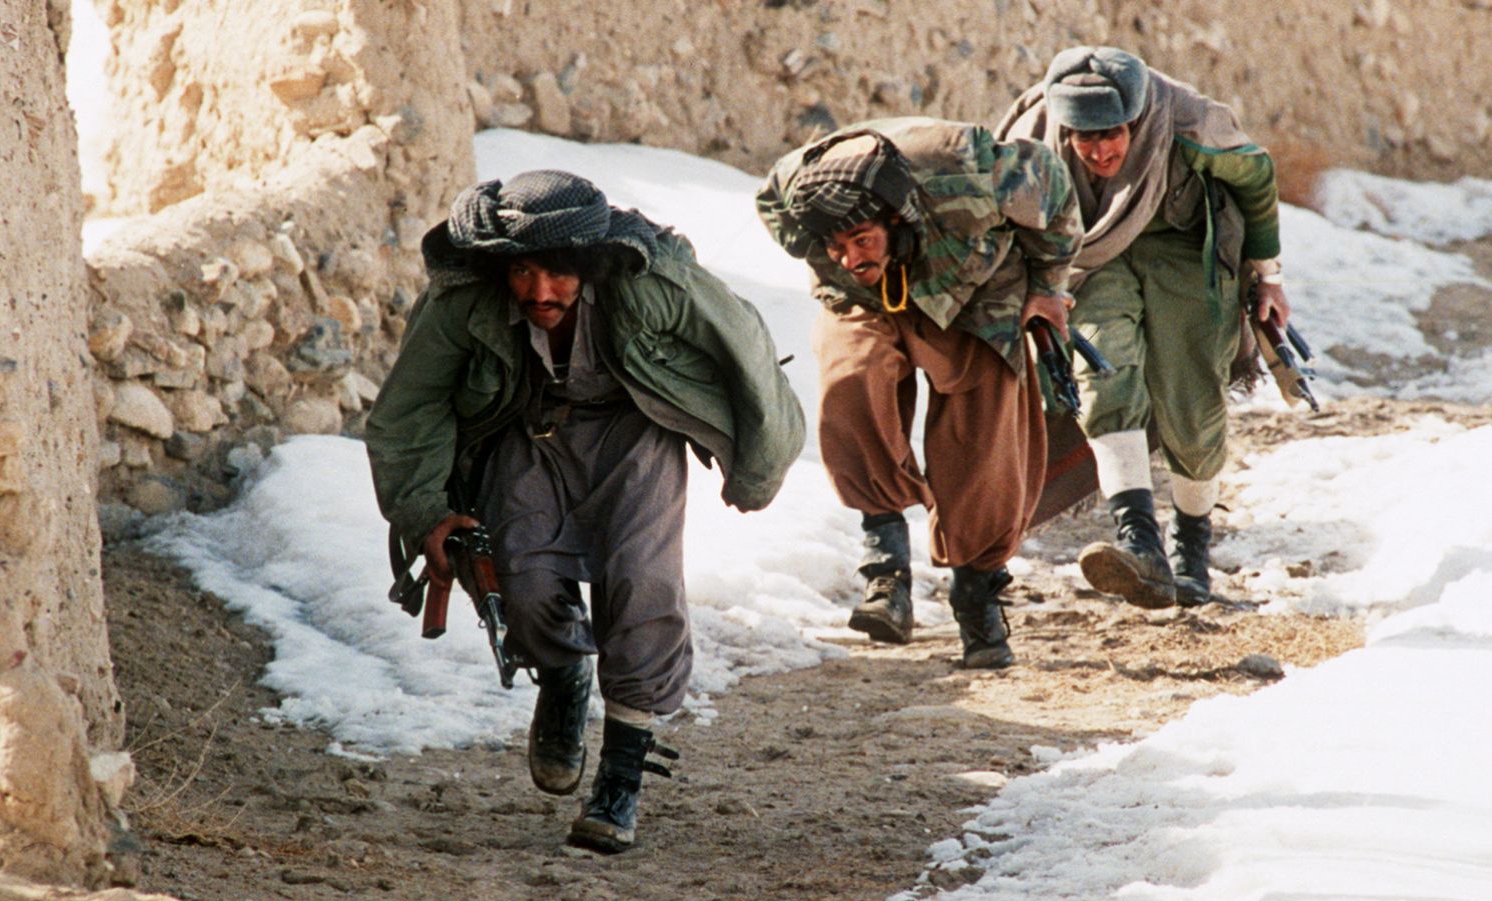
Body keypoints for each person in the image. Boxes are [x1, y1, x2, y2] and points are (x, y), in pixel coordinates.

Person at [365, 171, 805, 852]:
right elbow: (409, 409)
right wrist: (426, 509)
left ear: (589, 265)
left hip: (636, 432)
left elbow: (744, 346)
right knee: (523, 579)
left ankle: (619, 780)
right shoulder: (465, 303)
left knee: (640, 583)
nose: (541, 293)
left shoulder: (651, 281)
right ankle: (564, 672)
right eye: (525, 272)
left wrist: (758, 468)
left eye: (560, 274)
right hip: (528, 434)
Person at [756, 117, 1083, 669]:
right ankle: (885, 569)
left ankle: (978, 595)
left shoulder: (969, 169)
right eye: (836, 245)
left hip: (977, 288)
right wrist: (839, 263)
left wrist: (1048, 288)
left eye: (862, 239)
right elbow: (777, 212)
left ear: (896, 216)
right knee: (849, 376)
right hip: (868, 301)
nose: (850, 255)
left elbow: (1053, 188)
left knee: (986, 438)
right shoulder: (794, 191)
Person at [996, 46, 1294, 608]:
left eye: (1112, 134)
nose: (1099, 150)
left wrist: (1269, 276)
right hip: (1090, 259)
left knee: (1192, 399)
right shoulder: (1031, 139)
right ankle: (1141, 544)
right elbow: (1005, 215)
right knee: (1103, 375)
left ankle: (1191, 546)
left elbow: (1256, 177)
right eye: (1084, 138)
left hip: (1182, 246)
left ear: (1135, 120)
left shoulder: (1187, 122)